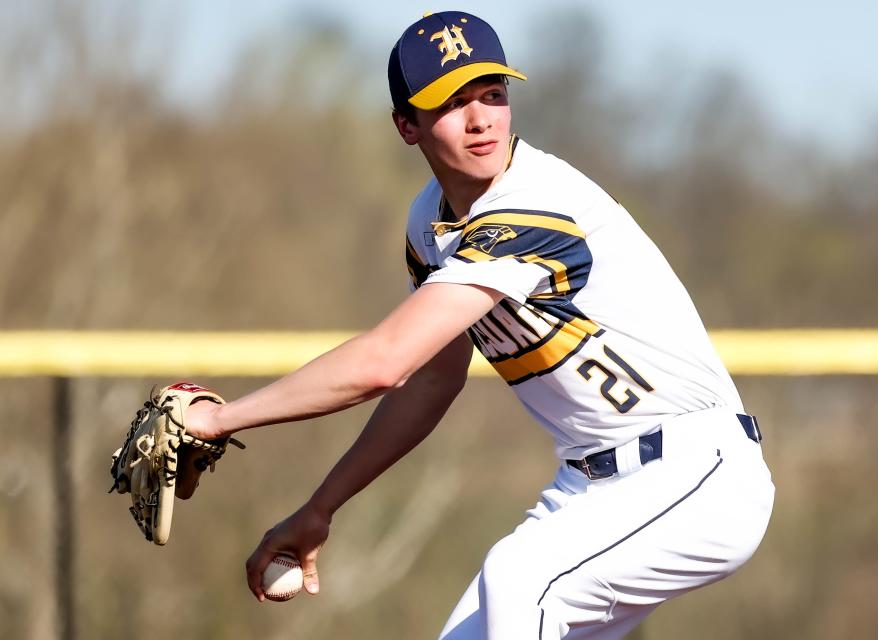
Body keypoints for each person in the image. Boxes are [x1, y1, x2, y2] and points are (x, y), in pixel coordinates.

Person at [185, 11, 774, 639]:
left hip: (696, 474)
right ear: (406, 125)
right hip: (592, 492)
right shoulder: (428, 226)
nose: (482, 118)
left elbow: (383, 362)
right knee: (503, 600)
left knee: (520, 576)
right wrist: (322, 508)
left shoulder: (535, 203)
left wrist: (218, 420)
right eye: (453, 101)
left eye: (493, 93)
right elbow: (427, 381)